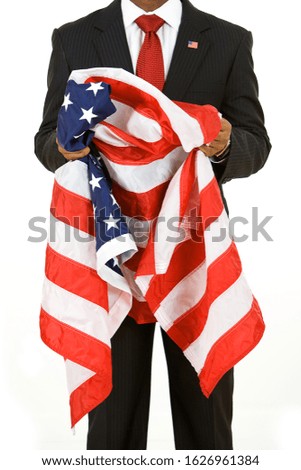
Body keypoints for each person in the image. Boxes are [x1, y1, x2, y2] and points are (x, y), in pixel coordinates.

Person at [34, 0, 271, 450]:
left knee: (208, 430)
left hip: (194, 253)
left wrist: (223, 142)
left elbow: (255, 144)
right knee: (112, 432)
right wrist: (64, 144)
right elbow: (46, 142)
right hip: (109, 254)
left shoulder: (228, 38)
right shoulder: (75, 36)